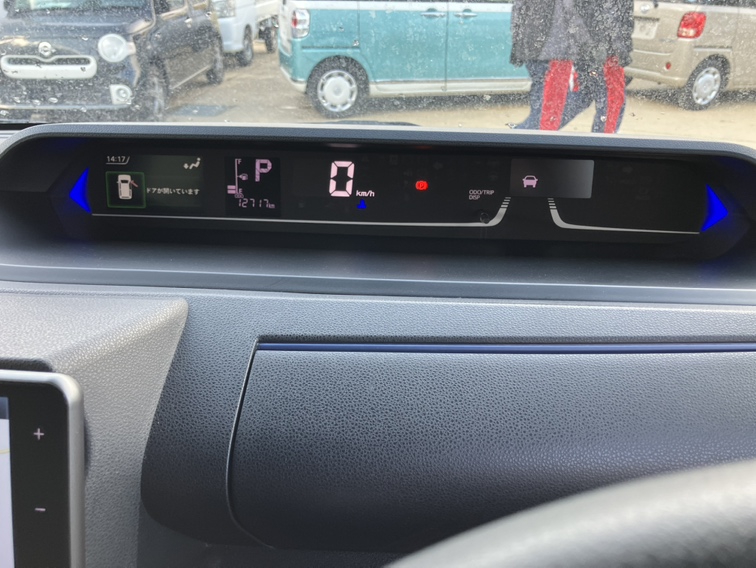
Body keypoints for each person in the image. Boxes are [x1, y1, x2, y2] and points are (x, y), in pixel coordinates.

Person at [511, 0, 633, 134]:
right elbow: (576, 13)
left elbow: (518, 10)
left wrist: (518, 44)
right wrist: (597, 47)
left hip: (547, 48)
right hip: (583, 50)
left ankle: (523, 135)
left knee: (574, 98)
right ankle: (526, 137)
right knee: (610, 101)